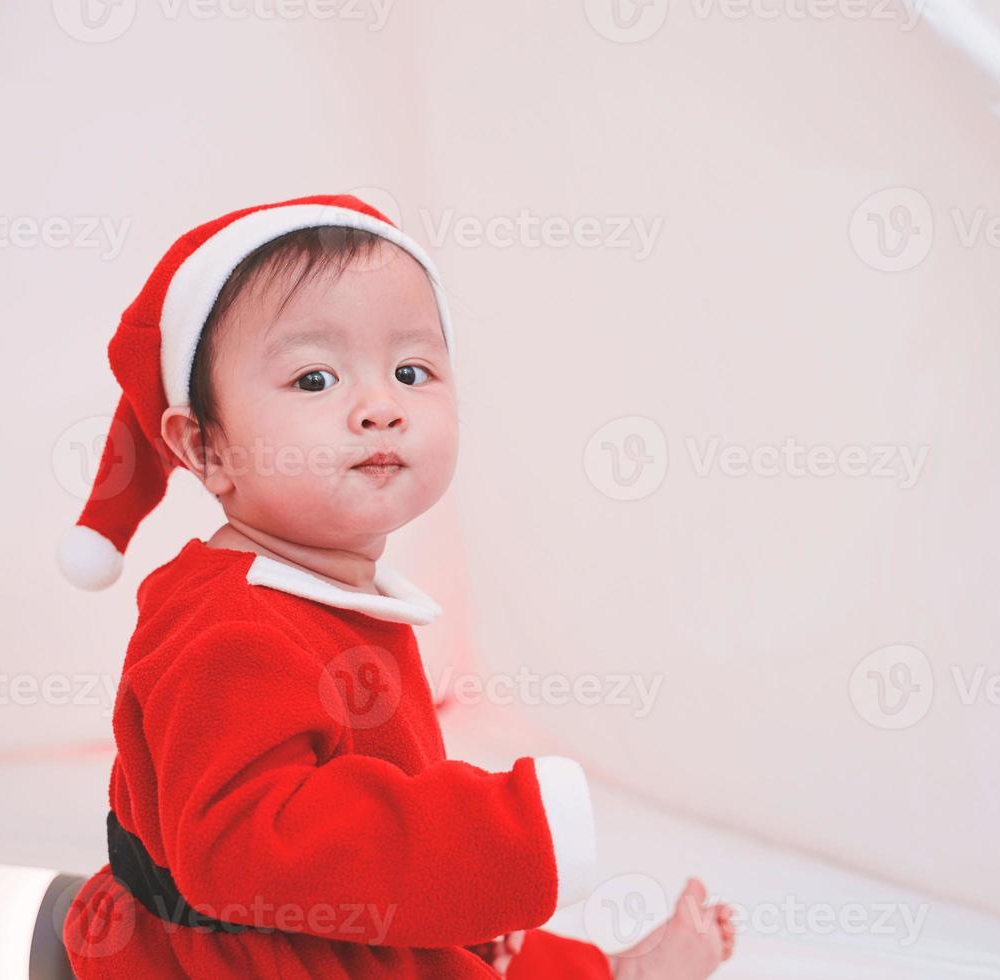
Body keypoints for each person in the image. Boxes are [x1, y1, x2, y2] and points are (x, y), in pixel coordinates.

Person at [57, 193, 737, 978]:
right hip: (237, 952)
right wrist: (488, 836)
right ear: (205, 449)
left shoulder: (322, 581)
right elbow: (244, 846)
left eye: (411, 371)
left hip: (316, 913)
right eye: (314, 379)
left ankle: (598, 968)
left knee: (475, 942)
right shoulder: (229, 628)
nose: (380, 407)